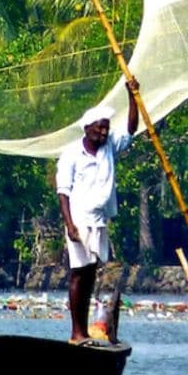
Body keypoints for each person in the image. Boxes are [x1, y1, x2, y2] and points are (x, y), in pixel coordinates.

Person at [56, 79, 140, 344]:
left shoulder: (110, 147)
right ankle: (77, 332)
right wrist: (69, 224)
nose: (103, 133)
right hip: (79, 219)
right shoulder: (71, 154)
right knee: (78, 272)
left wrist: (133, 96)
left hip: (99, 219)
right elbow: (63, 191)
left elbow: (131, 129)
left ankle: (82, 330)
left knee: (91, 271)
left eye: (105, 128)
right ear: (88, 129)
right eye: (99, 128)